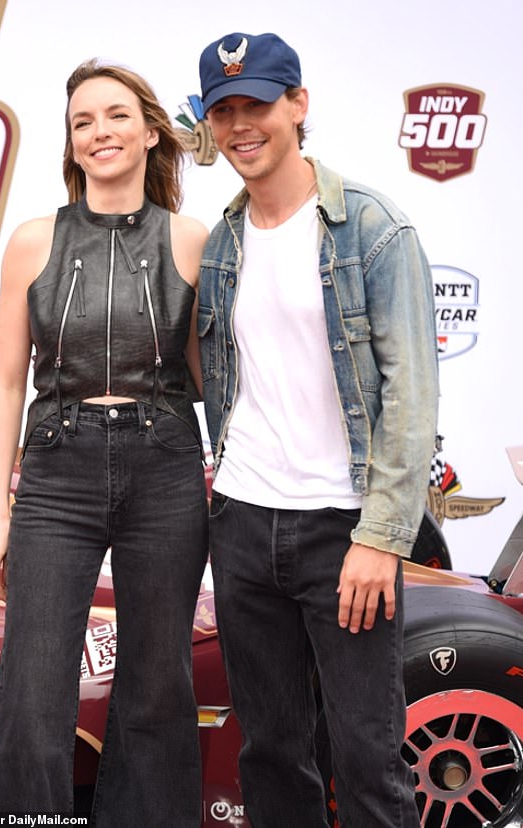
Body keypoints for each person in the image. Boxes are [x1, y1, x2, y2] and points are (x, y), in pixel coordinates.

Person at [197, 31, 439, 828]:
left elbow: (411, 394)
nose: (242, 125)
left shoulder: (373, 229)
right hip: (240, 520)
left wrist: (380, 538)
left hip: (344, 531)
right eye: (224, 109)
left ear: (298, 106)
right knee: (270, 754)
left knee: (367, 758)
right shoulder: (222, 240)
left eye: (258, 104)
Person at [0, 59, 209, 826]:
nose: (99, 131)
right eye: (83, 122)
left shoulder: (194, 240)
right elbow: (9, 382)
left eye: (115, 116)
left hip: (167, 467)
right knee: (35, 688)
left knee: (157, 686)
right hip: (57, 469)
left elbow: (212, 382)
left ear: (150, 132)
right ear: (71, 147)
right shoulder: (32, 240)